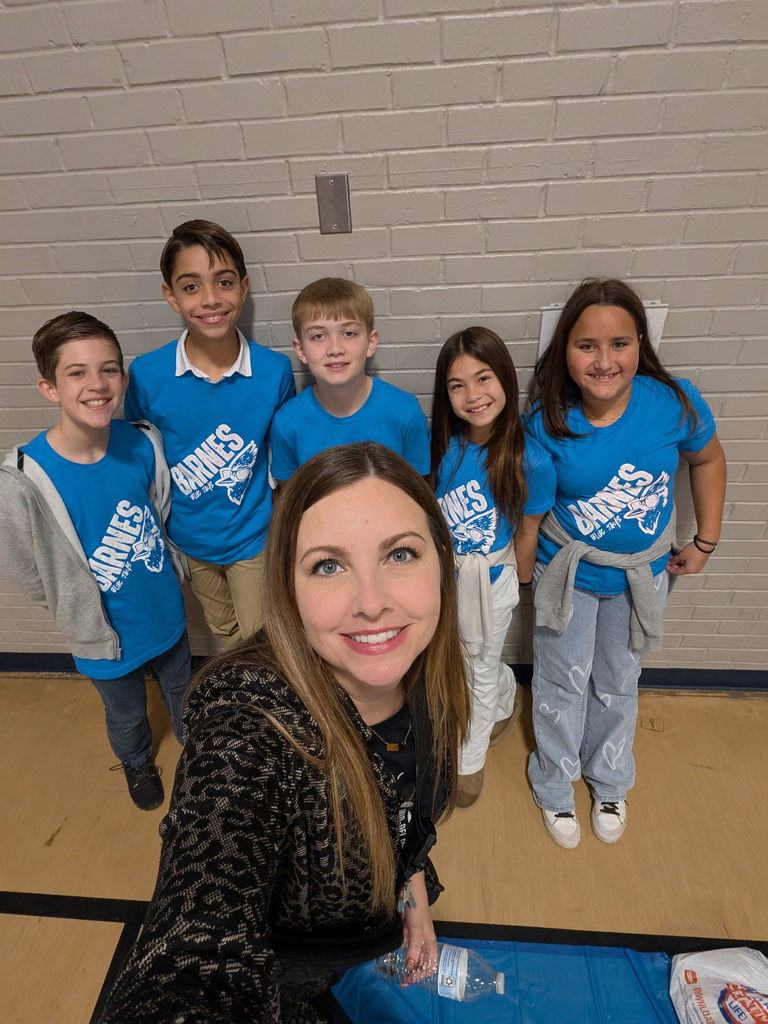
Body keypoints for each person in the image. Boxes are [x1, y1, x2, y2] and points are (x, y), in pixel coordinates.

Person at [98, 442, 470, 1024]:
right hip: (285, 969)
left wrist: (412, 894)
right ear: (288, 589)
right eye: (328, 565)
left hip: (369, 929)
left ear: (442, 563)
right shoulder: (249, 725)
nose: (372, 604)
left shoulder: (430, 673)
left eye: (400, 554)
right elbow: (195, 943)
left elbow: (403, 811)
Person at [517, 279, 726, 848]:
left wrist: (705, 540)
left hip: (643, 575)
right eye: (587, 345)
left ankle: (609, 780)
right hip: (571, 575)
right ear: (565, 350)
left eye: (619, 344)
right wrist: (523, 576)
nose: (604, 360)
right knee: (562, 682)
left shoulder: (671, 403)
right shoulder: (546, 422)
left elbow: (707, 459)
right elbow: (532, 517)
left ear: (640, 344)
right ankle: (554, 785)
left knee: (618, 680)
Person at [0, 312, 190, 811]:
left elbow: (160, 508)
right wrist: (75, 605)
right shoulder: (24, 478)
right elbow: (27, 570)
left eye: (108, 369)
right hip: (103, 636)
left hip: (164, 612)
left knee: (182, 690)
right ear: (49, 387)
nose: (97, 384)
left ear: (123, 379)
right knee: (126, 715)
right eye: (77, 372)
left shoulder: (142, 441)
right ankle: (136, 761)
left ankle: (199, 754)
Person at [123, 219, 295, 646]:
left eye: (223, 282)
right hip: (189, 538)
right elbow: (144, 457)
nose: (211, 299)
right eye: (191, 286)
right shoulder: (147, 374)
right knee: (223, 633)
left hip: (253, 536)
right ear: (171, 295)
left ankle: (263, 709)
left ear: (244, 288)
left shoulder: (273, 371)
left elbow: (284, 456)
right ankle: (234, 707)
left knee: (262, 638)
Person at [430, 327, 553, 808]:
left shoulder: (531, 460)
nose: (473, 395)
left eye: (483, 379)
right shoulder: (444, 447)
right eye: (457, 385)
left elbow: (528, 531)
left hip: (493, 579)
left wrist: (515, 588)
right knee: (453, 661)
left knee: (478, 665)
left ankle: (469, 758)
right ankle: (506, 692)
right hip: (445, 577)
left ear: (505, 378)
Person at [269, 278, 430, 485]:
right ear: (300, 350)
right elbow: (291, 498)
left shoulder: (404, 412)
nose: (335, 349)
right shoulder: (287, 423)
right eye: (318, 336)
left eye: (349, 333)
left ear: (370, 343)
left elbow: (417, 491)